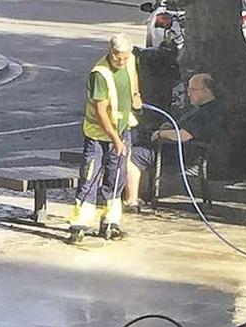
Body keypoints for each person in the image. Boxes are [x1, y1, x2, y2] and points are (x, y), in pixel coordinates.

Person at [68, 33, 142, 245]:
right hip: (98, 134)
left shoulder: (130, 60)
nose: (123, 62)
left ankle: (111, 221)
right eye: (119, 57)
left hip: (123, 128)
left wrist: (136, 95)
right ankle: (79, 224)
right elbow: (101, 112)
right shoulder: (99, 74)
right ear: (111, 52)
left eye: (126, 57)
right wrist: (115, 139)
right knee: (90, 176)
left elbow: (133, 76)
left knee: (116, 175)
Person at [124, 73, 225, 210]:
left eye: (192, 90)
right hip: (179, 148)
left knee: (132, 155)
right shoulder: (204, 108)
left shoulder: (208, 112)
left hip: (183, 153)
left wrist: (160, 134)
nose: (188, 94)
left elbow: (184, 135)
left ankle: (132, 200)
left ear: (206, 90)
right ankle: (136, 194)